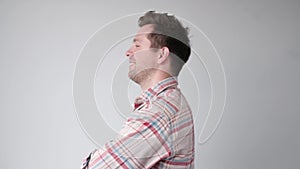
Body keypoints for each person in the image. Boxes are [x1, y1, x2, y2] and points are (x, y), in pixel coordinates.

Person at [81, 10, 194, 169]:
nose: (128, 52)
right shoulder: (170, 104)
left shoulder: (160, 112)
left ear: (161, 55)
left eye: (137, 45)